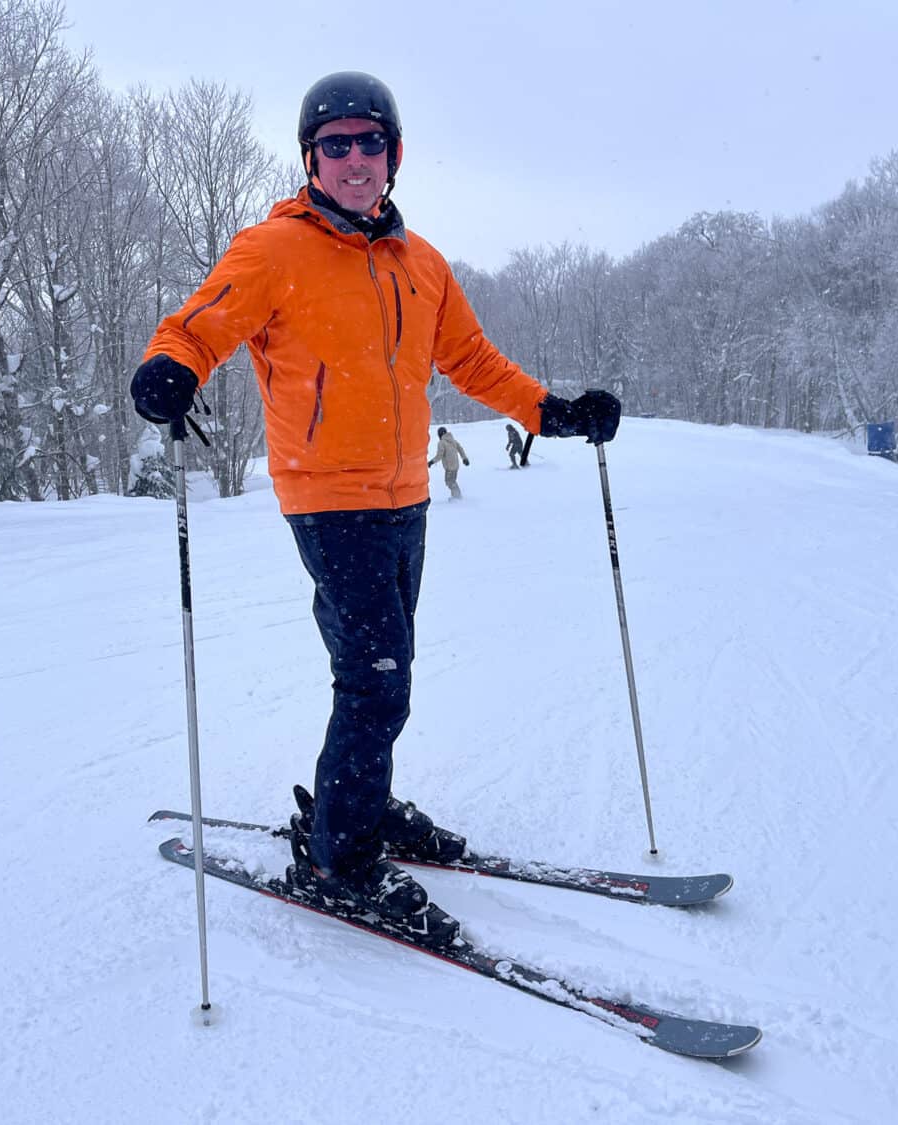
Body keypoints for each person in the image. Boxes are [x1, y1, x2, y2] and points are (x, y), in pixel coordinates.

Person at [131, 71, 620, 943]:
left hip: (405, 496)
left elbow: (473, 360)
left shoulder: (420, 263)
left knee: (385, 670)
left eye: (370, 143)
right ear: (311, 160)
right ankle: (341, 857)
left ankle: (362, 800)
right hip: (328, 497)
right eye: (335, 145)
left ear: (394, 155)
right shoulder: (273, 249)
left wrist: (552, 413)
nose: (354, 159)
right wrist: (170, 365)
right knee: (376, 676)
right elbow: (198, 323)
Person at [427, 426, 469, 498]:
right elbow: (460, 449)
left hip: (449, 466)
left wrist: (431, 462)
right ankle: (456, 496)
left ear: (439, 434)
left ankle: (457, 496)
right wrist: (464, 458)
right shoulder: (453, 440)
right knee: (452, 481)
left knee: (449, 482)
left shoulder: (441, 442)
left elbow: (439, 455)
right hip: (456, 465)